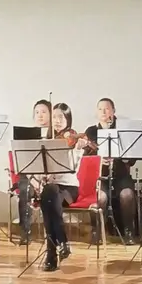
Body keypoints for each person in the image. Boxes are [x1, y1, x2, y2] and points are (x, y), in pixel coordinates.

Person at [33, 103, 85, 271]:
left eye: (61, 117)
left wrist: (78, 150)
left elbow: (73, 169)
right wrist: (41, 176)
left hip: (69, 187)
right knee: (49, 194)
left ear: (68, 119)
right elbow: (37, 169)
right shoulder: (45, 142)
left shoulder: (72, 141)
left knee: (49, 198)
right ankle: (61, 243)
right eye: (54, 117)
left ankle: (52, 254)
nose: (57, 120)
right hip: (52, 189)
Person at [82, 97, 135, 245]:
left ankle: (129, 231)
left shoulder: (123, 130)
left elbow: (132, 160)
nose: (103, 112)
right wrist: (99, 160)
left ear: (113, 111)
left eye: (107, 109)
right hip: (101, 176)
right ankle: (97, 231)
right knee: (100, 198)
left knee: (127, 195)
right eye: (100, 109)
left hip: (121, 174)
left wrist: (121, 157)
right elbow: (86, 158)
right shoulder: (91, 131)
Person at [17, 99, 51, 245]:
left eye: (44, 112)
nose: (40, 115)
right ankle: (25, 232)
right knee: (25, 190)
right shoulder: (26, 135)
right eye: (37, 112)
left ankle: (52, 232)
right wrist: (34, 181)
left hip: (50, 176)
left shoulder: (54, 135)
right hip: (28, 175)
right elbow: (22, 162)